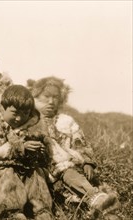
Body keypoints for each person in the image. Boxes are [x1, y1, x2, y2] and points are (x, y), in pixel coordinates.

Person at [27, 76, 119, 218]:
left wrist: (88, 162)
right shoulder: (29, 120)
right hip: (42, 170)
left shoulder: (67, 121)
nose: (51, 102)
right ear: (36, 96)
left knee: (71, 174)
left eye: (56, 97)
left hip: (69, 169)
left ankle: (96, 200)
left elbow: (80, 142)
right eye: (46, 96)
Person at [0, 85, 54, 220]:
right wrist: (22, 147)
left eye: (25, 114)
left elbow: (46, 149)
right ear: (3, 108)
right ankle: (13, 212)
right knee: (8, 174)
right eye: (15, 113)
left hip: (23, 166)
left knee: (36, 174)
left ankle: (42, 211)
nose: (19, 119)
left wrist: (40, 151)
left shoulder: (33, 124)